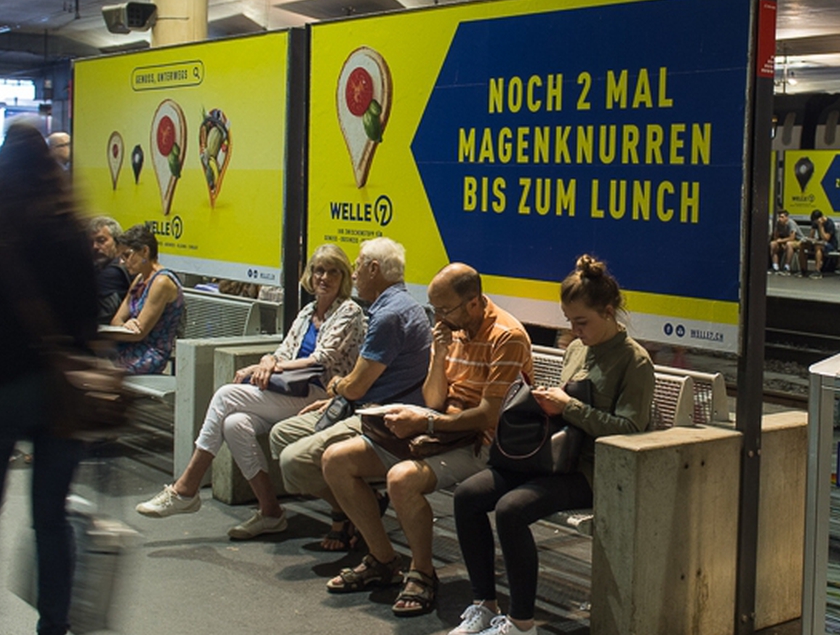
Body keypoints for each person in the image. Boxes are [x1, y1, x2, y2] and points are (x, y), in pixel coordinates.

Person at [0, 121, 97, 635]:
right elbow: (89, 321)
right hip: (59, 397)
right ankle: (53, 627)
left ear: (0, 171)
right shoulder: (73, 231)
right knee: (50, 520)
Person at [449, 255, 655, 635]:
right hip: (554, 459)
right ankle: (484, 603)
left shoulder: (634, 361)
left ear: (609, 312)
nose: (575, 331)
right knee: (468, 496)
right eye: (569, 321)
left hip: (592, 470)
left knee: (511, 509)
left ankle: (521, 623)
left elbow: (629, 430)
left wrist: (568, 406)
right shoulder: (578, 349)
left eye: (582, 322)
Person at [320, 263, 530, 617]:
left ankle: (422, 572)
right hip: (440, 432)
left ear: (473, 303)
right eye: (435, 309)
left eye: (445, 309)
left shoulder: (506, 337)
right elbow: (433, 399)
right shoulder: (451, 331)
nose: (439, 318)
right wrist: (439, 356)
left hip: (482, 443)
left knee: (402, 479)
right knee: (336, 460)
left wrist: (428, 424)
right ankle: (383, 559)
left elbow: (488, 416)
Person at [136, 244, 368, 539]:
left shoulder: (349, 311)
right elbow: (283, 351)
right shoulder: (308, 311)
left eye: (333, 271)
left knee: (226, 395)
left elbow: (322, 359)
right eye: (319, 270)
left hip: (322, 396)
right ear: (310, 274)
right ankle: (271, 512)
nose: (324, 277)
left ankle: (186, 488)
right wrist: (268, 360)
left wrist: (271, 366)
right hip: (293, 392)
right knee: (235, 424)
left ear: (343, 277)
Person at [260, 236, 431, 551]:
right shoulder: (394, 306)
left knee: (293, 461)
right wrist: (339, 394)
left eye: (356, 267)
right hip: (363, 404)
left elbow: (355, 385)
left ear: (374, 269)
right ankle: (354, 504)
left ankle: (372, 542)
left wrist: (338, 386)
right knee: (281, 435)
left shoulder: (389, 315)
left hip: (382, 416)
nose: (354, 275)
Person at [102, 225, 184, 374]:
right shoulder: (140, 279)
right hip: (128, 347)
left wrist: (117, 330)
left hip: (149, 353)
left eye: (127, 255)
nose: (122, 262)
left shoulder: (162, 282)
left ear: (145, 251)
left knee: (102, 373)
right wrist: (126, 325)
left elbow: (139, 333)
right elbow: (116, 321)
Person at [87, 217, 129, 324]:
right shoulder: (99, 267)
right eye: (90, 242)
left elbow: (100, 315)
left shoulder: (114, 273)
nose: (95, 247)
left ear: (117, 243)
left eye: (101, 241)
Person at [797, 210, 834, 278]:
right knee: (802, 245)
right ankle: (803, 270)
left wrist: (820, 226)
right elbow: (811, 236)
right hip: (819, 242)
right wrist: (809, 240)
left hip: (830, 245)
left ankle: (817, 271)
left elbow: (826, 238)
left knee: (818, 247)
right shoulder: (815, 223)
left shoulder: (829, 223)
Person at [769, 210, 800, 274]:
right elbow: (775, 236)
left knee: (789, 244)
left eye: (782, 217)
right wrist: (780, 242)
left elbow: (792, 238)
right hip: (784, 241)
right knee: (773, 244)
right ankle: (775, 267)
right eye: (779, 217)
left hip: (798, 241)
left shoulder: (791, 223)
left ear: (786, 217)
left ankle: (787, 267)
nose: (780, 219)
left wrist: (781, 241)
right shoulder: (778, 223)